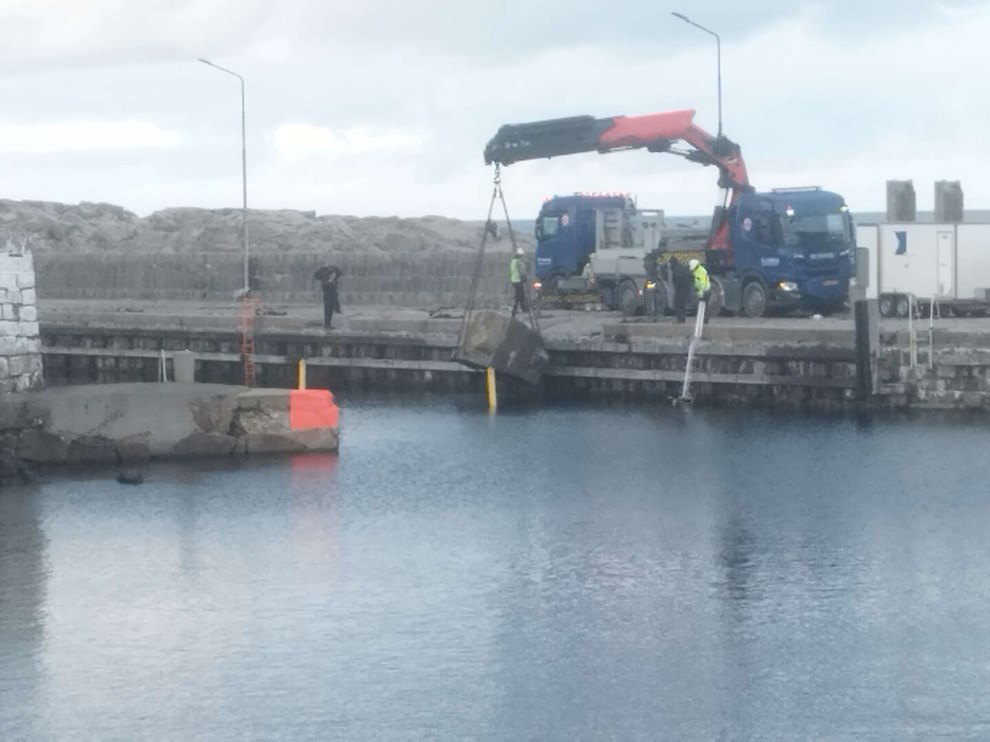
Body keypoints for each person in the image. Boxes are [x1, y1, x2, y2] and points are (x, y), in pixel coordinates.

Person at [314, 264, 342, 329]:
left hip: (332, 290)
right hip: (327, 291)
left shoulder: (335, 269)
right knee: (328, 308)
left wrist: (334, 276)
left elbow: (340, 273)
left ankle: (328, 324)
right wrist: (324, 278)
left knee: (330, 309)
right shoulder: (323, 271)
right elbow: (316, 275)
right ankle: (327, 324)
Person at [668, 256, 693, 324]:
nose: (669, 266)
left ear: (673, 263)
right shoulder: (682, 267)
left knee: (677, 304)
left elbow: (677, 281)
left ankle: (680, 319)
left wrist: (678, 288)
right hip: (686, 289)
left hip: (680, 290)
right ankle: (682, 319)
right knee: (682, 305)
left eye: (670, 263)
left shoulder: (676, 270)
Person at [688, 258, 711, 323]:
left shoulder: (700, 272)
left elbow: (702, 283)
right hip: (704, 291)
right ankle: (704, 319)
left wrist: (701, 293)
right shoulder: (699, 270)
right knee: (704, 306)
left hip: (704, 291)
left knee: (702, 306)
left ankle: (704, 320)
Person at [509, 247, 528, 318]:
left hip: (515, 280)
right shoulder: (518, 261)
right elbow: (521, 270)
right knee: (519, 295)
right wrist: (524, 276)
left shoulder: (513, 261)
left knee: (520, 295)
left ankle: (521, 308)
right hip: (518, 280)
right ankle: (516, 309)